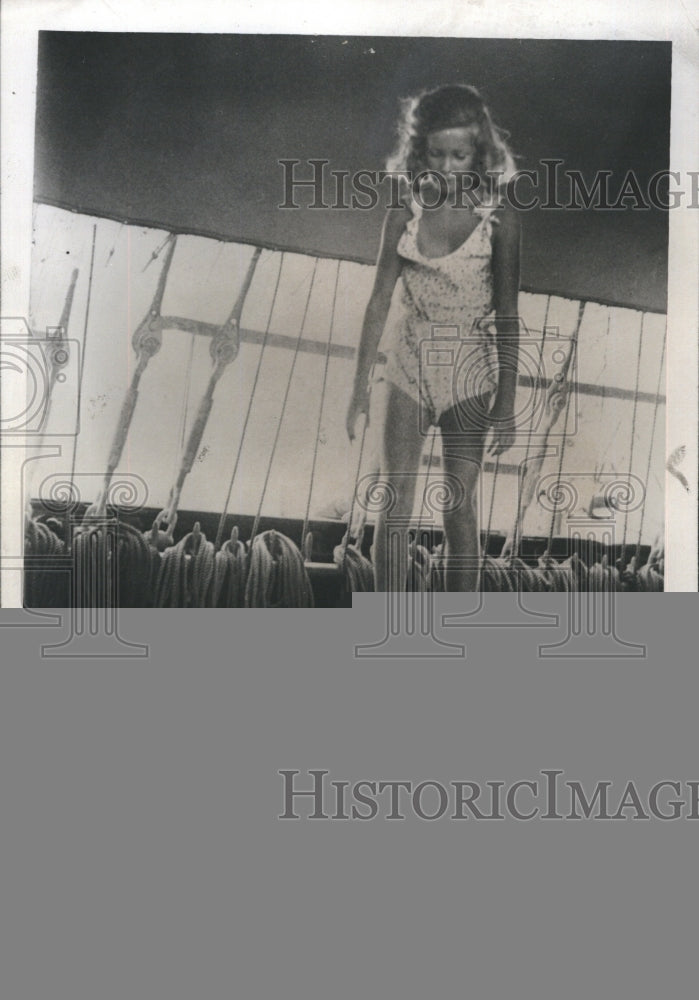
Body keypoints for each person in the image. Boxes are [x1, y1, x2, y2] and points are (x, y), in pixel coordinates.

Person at [346, 84, 521, 591]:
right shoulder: (404, 214)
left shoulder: (500, 221)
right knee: (394, 501)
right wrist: (359, 388)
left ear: (480, 154)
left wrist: (507, 402)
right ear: (420, 152)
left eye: (459, 155)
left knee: (458, 508)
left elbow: (507, 314)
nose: (447, 166)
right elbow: (378, 303)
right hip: (407, 363)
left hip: (470, 370)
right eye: (436, 154)